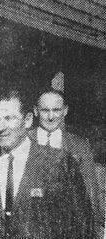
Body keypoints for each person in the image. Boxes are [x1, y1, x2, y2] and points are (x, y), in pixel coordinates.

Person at [0, 88, 94, 238]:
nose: (1, 127)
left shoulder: (59, 162)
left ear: (28, 120)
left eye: (9, 118)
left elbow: (82, 225)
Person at [30, 87, 104, 236]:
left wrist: (95, 232)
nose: (51, 117)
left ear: (65, 111)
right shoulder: (23, 140)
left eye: (56, 110)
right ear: (36, 111)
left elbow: (90, 194)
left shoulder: (79, 145)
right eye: (45, 110)